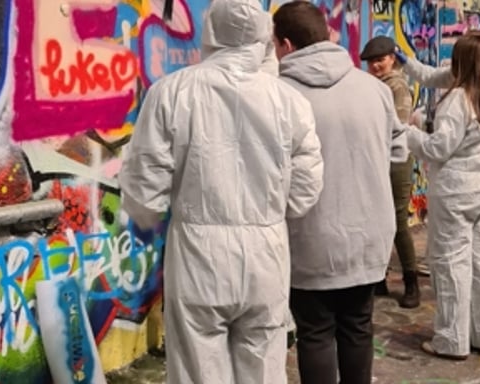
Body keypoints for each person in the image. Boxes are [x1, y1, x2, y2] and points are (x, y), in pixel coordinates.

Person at [118, 0, 324, 382]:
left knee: (199, 368)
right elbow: (306, 186)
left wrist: (150, 216)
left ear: (209, 31)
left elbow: (145, 187)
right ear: (263, 34)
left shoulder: (171, 92)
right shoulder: (290, 101)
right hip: (267, 253)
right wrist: (276, 211)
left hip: (198, 254)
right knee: (263, 364)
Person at [272, 2, 408, 383]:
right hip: (368, 235)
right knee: (358, 325)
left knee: (314, 333)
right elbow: (398, 150)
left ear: (284, 44)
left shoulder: (278, 94)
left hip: (308, 236)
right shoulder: (373, 89)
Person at [403, 30, 480, 360]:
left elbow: (439, 148)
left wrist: (409, 133)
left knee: (452, 263)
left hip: (456, 191)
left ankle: (452, 339)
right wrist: (405, 62)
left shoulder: (457, 101)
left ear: (461, 63)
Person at [360, 36, 421, 309]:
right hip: (377, 159)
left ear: (392, 59)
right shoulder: (374, 86)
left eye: (380, 60)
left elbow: (397, 124)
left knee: (396, 222)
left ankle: (411, 281)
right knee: (378, 221)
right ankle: (379, 278)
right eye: (371, 62)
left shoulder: (396, 86)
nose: (375, 66)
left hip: (396, 161)